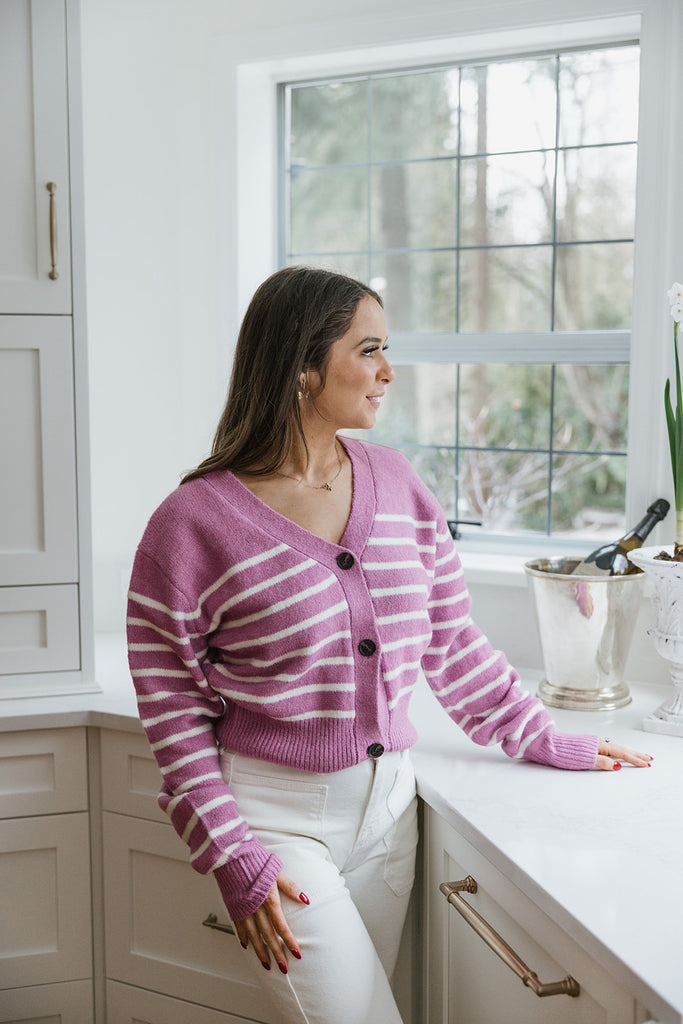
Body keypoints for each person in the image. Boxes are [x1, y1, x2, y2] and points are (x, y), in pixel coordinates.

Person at [127, 266, 652, 1024]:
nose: (387, 371)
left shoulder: (396, 482)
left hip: (387, 814)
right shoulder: (191, 523)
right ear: (302, 367)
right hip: (273, 820)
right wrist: (229, 850)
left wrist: (540, 735)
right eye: (367, 349)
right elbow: (171, 708)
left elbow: (448, 636)